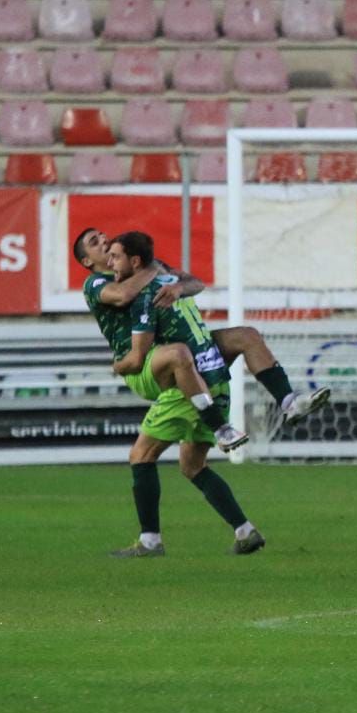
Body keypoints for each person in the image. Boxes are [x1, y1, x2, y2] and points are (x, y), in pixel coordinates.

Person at [104, 231, 265, 556]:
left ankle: (150, 541)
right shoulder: (169, 282)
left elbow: (138, 357)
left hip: (185, 388)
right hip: (213, 377)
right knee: (192, 466)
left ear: (134, 262)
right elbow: (195, 282)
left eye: (114, 255)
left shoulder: (146, 294)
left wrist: (119, 367)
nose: (109, 260)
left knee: (141, 456)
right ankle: (245, 531)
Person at [72, 227, 331, 428]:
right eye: (95, 242)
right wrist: (152, 270)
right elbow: (122, 295)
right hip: (147, 361)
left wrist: (178, 288)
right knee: (146, 455)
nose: (104, 240)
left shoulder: (141, 265)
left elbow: (196, 282)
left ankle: (289, 403)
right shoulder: (95, 283)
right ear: (87, 261)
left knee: (247, 336)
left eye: (103, 236)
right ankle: (220, 428)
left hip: (184, 346)